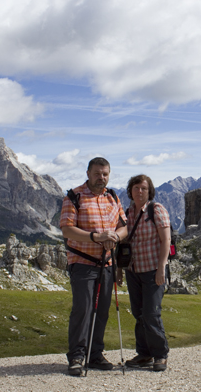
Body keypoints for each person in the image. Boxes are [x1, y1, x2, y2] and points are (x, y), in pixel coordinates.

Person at [60, 157, 127, 376]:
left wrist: (115, 237)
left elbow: (123, 227)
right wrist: (97, 237)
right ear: (88, 173)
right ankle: (77, 356)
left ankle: (95, 354)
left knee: (102, 310)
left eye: (105, 174)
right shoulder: (74, 196)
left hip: (107, 263)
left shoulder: (113, 197)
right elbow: (67, 230)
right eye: (97, 173)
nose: (102, 178)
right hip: (82, 263)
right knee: (84, 308)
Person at [118, 174, 171, 372]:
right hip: (133, 271)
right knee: (138, 313)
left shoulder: (156, 210)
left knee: (151, 313)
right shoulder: (127, 212)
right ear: (130, 191)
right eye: (136, 188)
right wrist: (119, 271)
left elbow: (166, 240)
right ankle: (144, 353)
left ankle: (160, 355)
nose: (139, 191)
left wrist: (161, 268)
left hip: (152, 270)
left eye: (143, 188)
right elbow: (122, 244)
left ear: (149, 191)